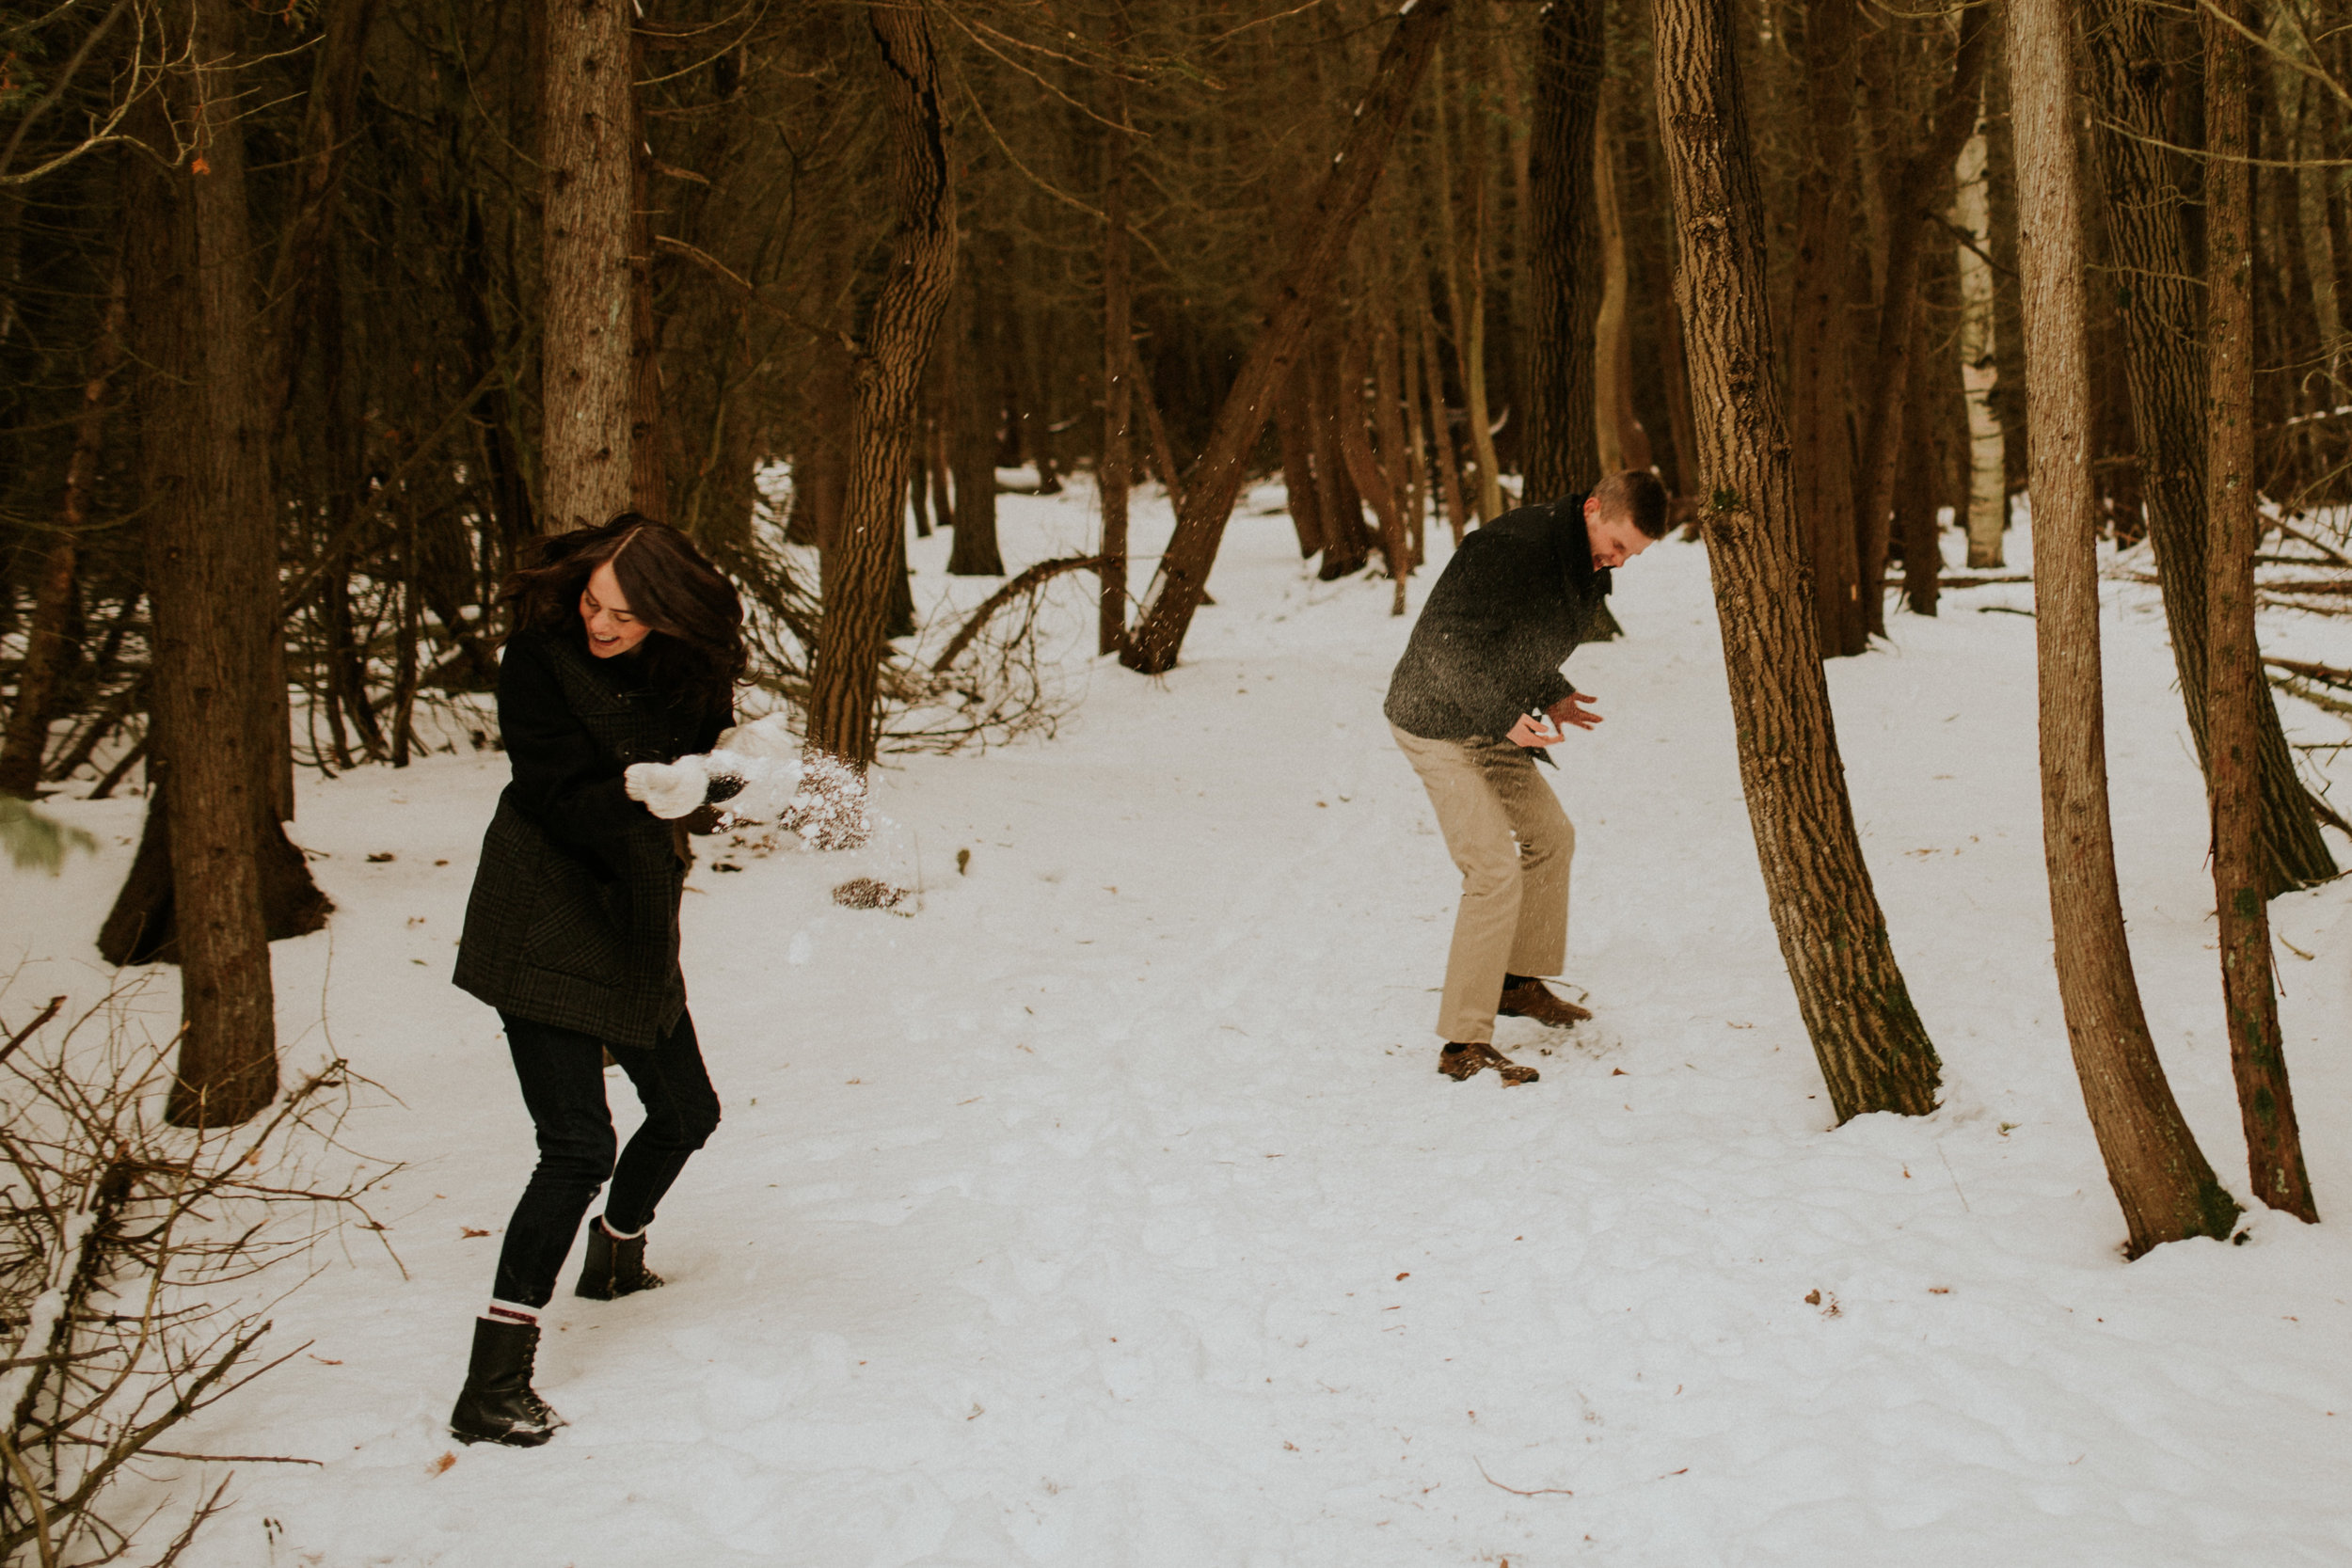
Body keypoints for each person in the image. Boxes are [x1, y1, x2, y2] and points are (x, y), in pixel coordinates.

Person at [446, 514, 747, 1447]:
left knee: (689, 1111)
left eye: (621, 612)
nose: (600, 623)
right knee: (575, 1146)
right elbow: (549, 792)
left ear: (665, 611)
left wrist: (720, 773)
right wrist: (633, 792)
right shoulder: (537, 659)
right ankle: (491, 1386)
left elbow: (701, 758)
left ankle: (614, 1256)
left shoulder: (688, 663)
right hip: (538, 908)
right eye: (590, 602)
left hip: (632, 916)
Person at [1383, 468, 1669, 1085]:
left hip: (1491, 720)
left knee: (1552, 835)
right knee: (1491, 869)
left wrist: (1551, 692)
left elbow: (1517, 642)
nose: (1618, 561)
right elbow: (1449, 646)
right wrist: (1507, 715)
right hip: (1433, 719)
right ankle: (1462, 1042)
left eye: (1630, 555)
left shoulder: (1583, 561)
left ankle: (1516, 981)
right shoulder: (1511, 547)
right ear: (1594, 507)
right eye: (1618, 544)